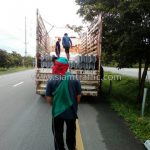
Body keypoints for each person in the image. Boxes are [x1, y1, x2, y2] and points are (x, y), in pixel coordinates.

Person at [46, 57, 81, 150]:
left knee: (57, 133)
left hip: (57, 112)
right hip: (71, 112)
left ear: (56, 66)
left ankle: (60, 148)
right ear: (66, 67)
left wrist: (56, 105)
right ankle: (71, 147)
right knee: (71, 132)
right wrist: (73, 105)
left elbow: (49, 99)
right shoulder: (75, 79)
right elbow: (78, 98)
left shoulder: (51, 80)